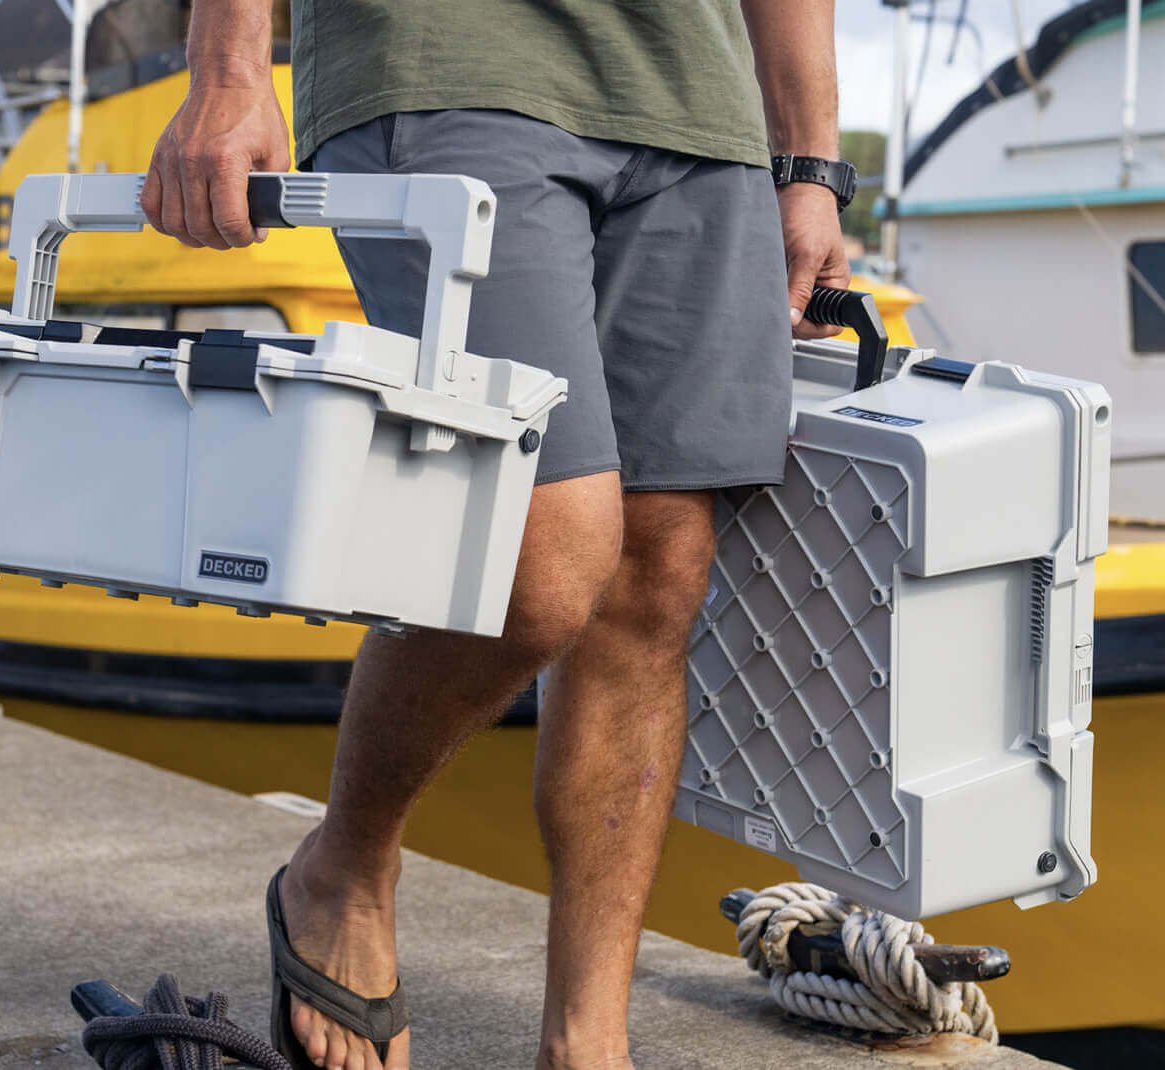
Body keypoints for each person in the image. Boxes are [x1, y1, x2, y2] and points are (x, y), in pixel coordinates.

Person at [142, 1, 855, 1066]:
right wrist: (228, 65)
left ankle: (588, 1036)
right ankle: (343, 862)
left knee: (656, 571)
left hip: (699, 100)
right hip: (453, 59)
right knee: (544, 555)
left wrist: (808, 160)